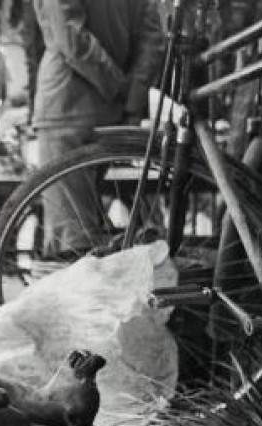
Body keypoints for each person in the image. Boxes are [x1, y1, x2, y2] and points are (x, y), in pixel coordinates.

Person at [32, 0, 163, 255]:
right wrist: (131, 99)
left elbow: (70, 39)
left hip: (67, 108)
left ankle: (74, 290)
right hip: (111, 114)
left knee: (70, 236)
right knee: (85, 228)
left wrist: (118, 86)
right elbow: (153, 41)